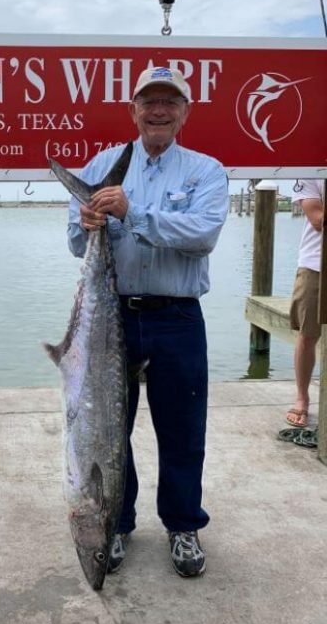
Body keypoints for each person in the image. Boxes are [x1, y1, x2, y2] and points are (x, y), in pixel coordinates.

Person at [66, 66, 229, 578]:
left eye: (170, 101)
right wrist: (89, 221)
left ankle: (183, 525)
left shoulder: (206, 171)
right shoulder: (100, 164)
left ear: (185, 111)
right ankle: (116, 522)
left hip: (177, 318)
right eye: (149, 101)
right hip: (113, 316)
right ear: (133, 109)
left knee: (183, 428)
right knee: (107, 429)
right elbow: (75, 242)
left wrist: (131, 213)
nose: (159, 110)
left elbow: (202, 235)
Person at [286, 179, 324, 428]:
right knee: (307, 334)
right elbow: (318, 219)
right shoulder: (308, 169)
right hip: (316, 264)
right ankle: (302, 397)